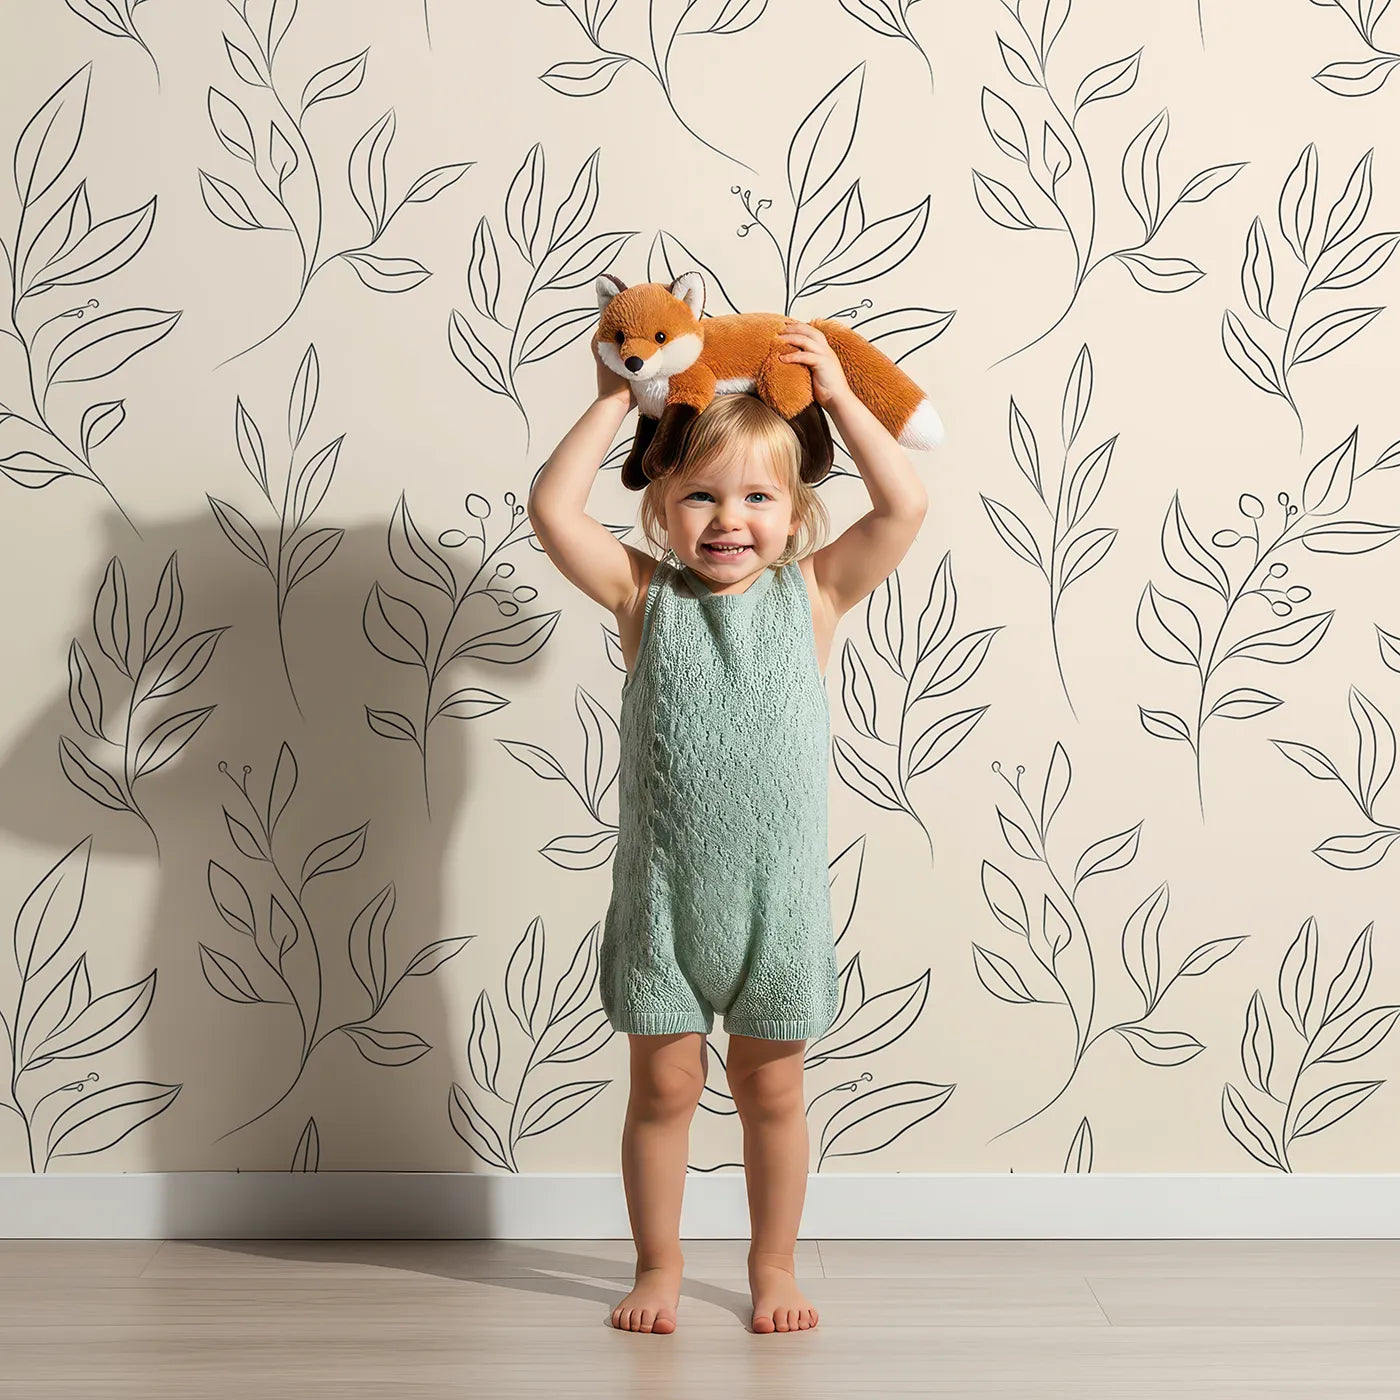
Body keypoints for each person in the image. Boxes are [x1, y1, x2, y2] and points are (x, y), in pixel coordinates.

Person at [527, 317, 929, 1335]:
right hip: (662, 905)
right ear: (660, 508)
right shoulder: (640, 597)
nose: (726, 518)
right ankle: (657, 1265)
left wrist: (838, 392)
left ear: (794, 514)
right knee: (662, 1087)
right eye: (698, 494)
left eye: (755, 497)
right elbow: (550, 506)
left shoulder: (814, 594)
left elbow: (904, 501)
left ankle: (772, 1265)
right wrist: (625, 393)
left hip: (776, 907)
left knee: (772, 1092)